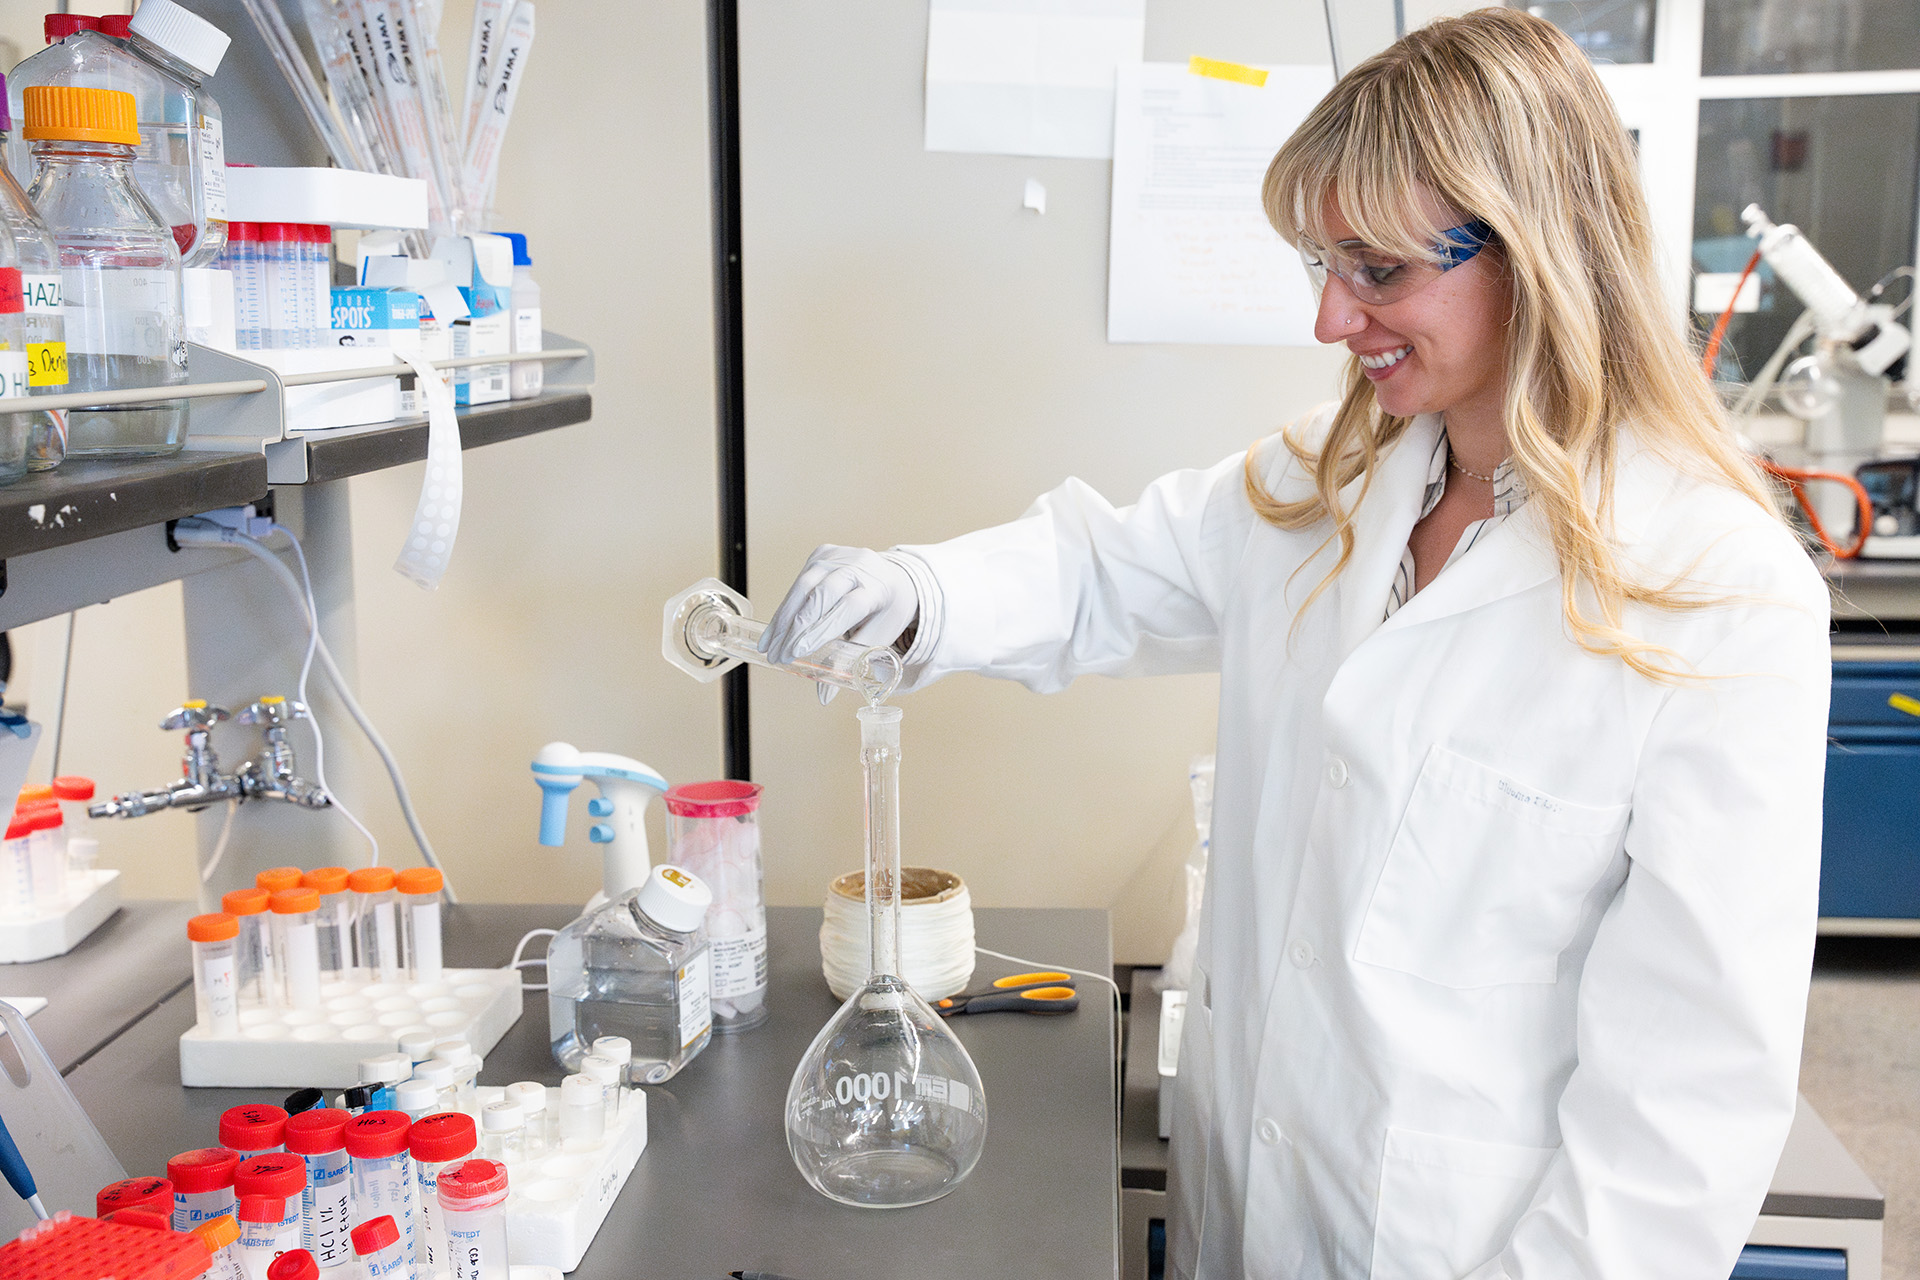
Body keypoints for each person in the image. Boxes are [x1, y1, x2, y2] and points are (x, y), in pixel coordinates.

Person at [761, 10, 1832, 1278]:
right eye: (1322, 264)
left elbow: (1686, 1104)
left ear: (1540, 253)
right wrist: (921, 589)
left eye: (1378, 270)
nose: (1332, 319)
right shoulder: (1326, 484)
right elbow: (1102, 566)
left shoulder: (1713, 589)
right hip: (1246, 1206)